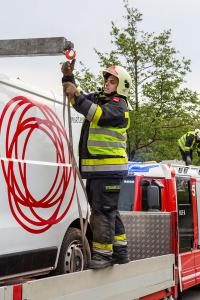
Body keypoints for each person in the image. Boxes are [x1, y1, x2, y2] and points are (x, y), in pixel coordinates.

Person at [61, 61, 132, 269]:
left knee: (102, 212)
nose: (107, 84)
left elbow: (94, 113)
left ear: (121, 86)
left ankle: (103, 255)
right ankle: (120, 251)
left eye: (112, 81)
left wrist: (76, 93)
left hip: (108, 171)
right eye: (107, 80)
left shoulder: (119, 106)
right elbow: (78, 97)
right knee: (108, 210)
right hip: (99, 172)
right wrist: (68, 77)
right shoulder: (101, 99)